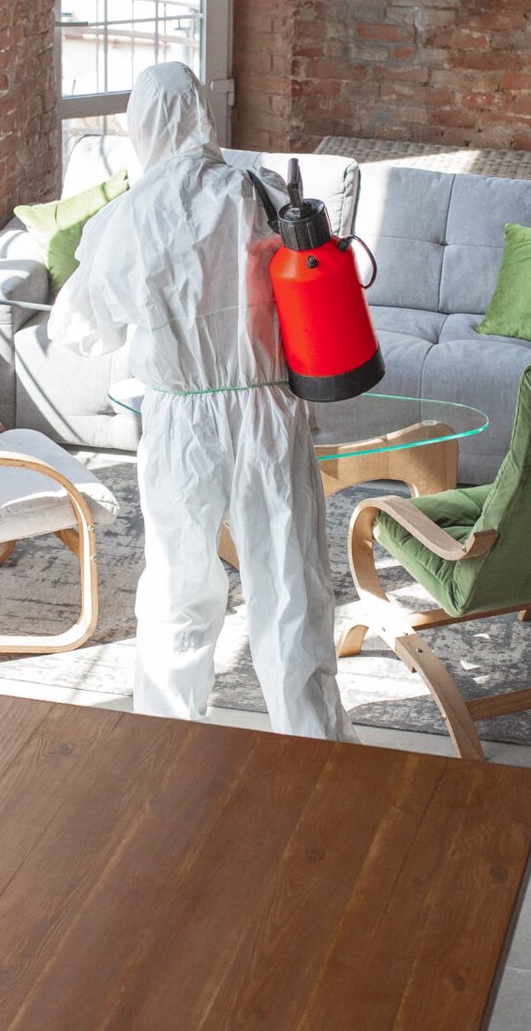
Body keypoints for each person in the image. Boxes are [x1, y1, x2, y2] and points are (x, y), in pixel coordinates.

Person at [52, 63, 351, 742]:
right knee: (291, 587)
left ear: (140, 127)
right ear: (203, 115)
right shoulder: (258, 191)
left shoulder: (122, 218)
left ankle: (167, 743)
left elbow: (79, 331)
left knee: (178, 587)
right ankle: (319, 752)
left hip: (179, 420)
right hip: (268, 412)